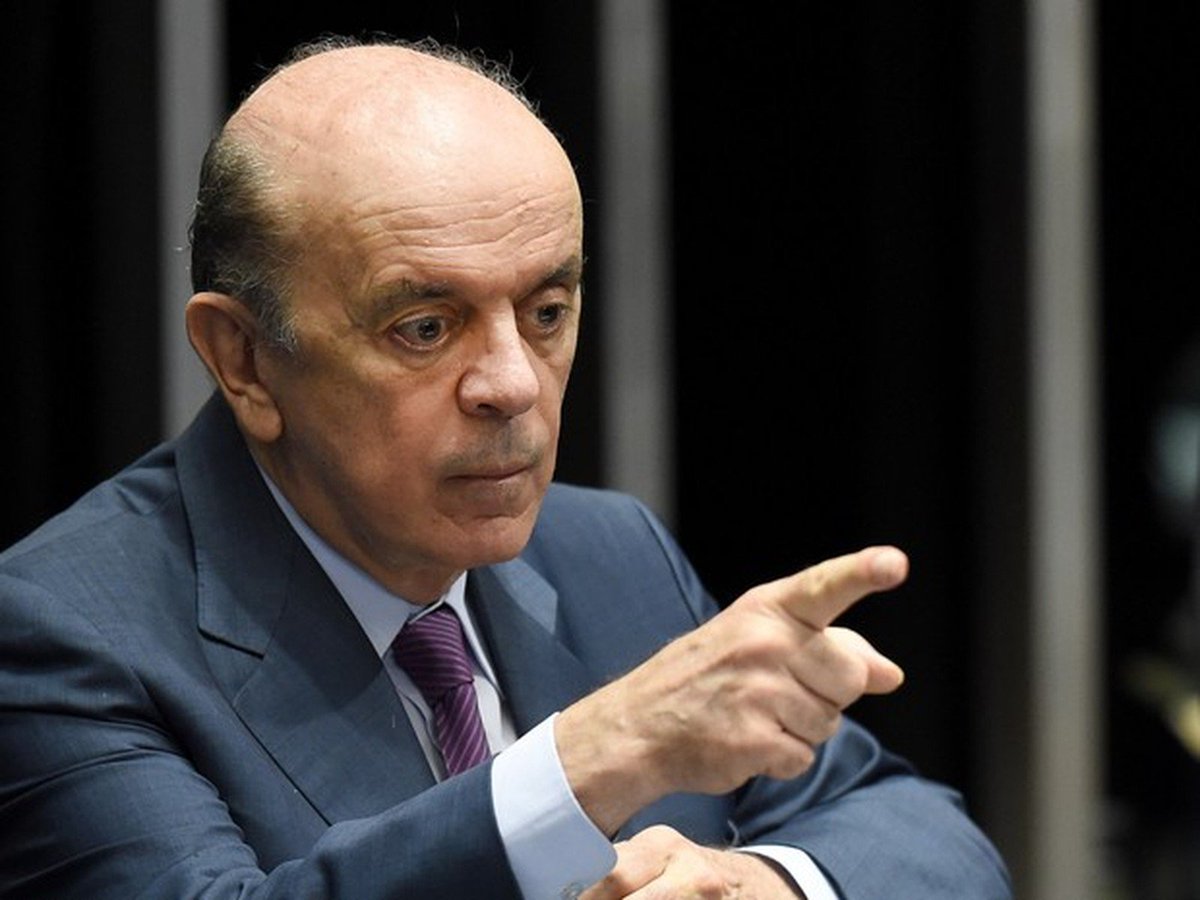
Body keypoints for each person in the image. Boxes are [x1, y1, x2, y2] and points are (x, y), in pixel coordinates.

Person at [0, 36, 1010, 899]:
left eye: (547, 312)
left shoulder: (609, 552)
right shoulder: (59, 633)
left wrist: (765, 883)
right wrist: (596, 757)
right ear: (246, 361)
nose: (513, 384)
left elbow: (919, 834)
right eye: (425, 327)